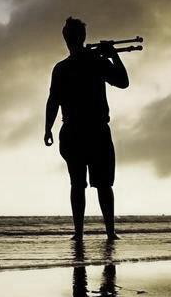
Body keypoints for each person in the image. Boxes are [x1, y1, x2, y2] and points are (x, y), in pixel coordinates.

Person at [44, 17, 129, 240]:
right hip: (95, 130)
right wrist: (113, 55)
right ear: (83, 37)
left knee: (77, 184)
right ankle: (110, 232)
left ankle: (79, 233)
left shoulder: (62, 68)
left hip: (72, 131)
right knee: (103, 185)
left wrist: (48, 128)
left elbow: (53, 101)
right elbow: (123, 81)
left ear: (65, 38)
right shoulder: (95, 62)